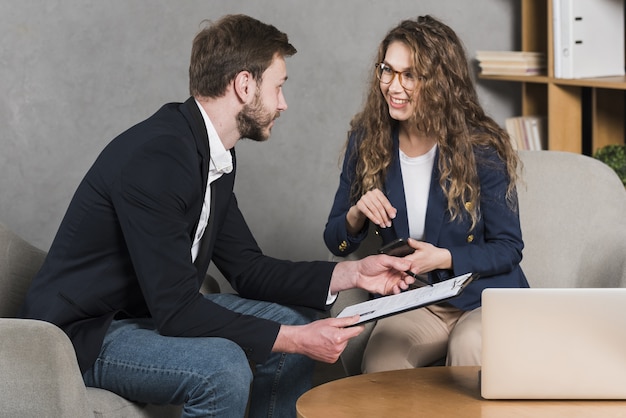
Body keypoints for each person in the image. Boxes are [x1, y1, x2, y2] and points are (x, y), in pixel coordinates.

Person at [19, 14, 415, 418]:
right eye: (278, 87)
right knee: (222, 368)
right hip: (83, 334)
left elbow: (248, 268)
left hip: (144, 314)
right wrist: (295, 339)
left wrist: (354, 273)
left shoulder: (213, 155)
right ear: (245, 85)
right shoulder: (158, 157)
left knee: (295, 318)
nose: (283, 103)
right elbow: (176, 310)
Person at [324, 15, 529, 372]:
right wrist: (356, 214)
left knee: (469, 350)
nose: (393, 86)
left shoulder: (481, 146)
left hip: (483, 297)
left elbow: (508, 248)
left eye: (410, 75)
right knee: (381, 364)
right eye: (387, 70)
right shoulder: (367, 140)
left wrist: (445, 258)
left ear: (440, 83)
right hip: (415, 301)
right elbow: (336, 241)